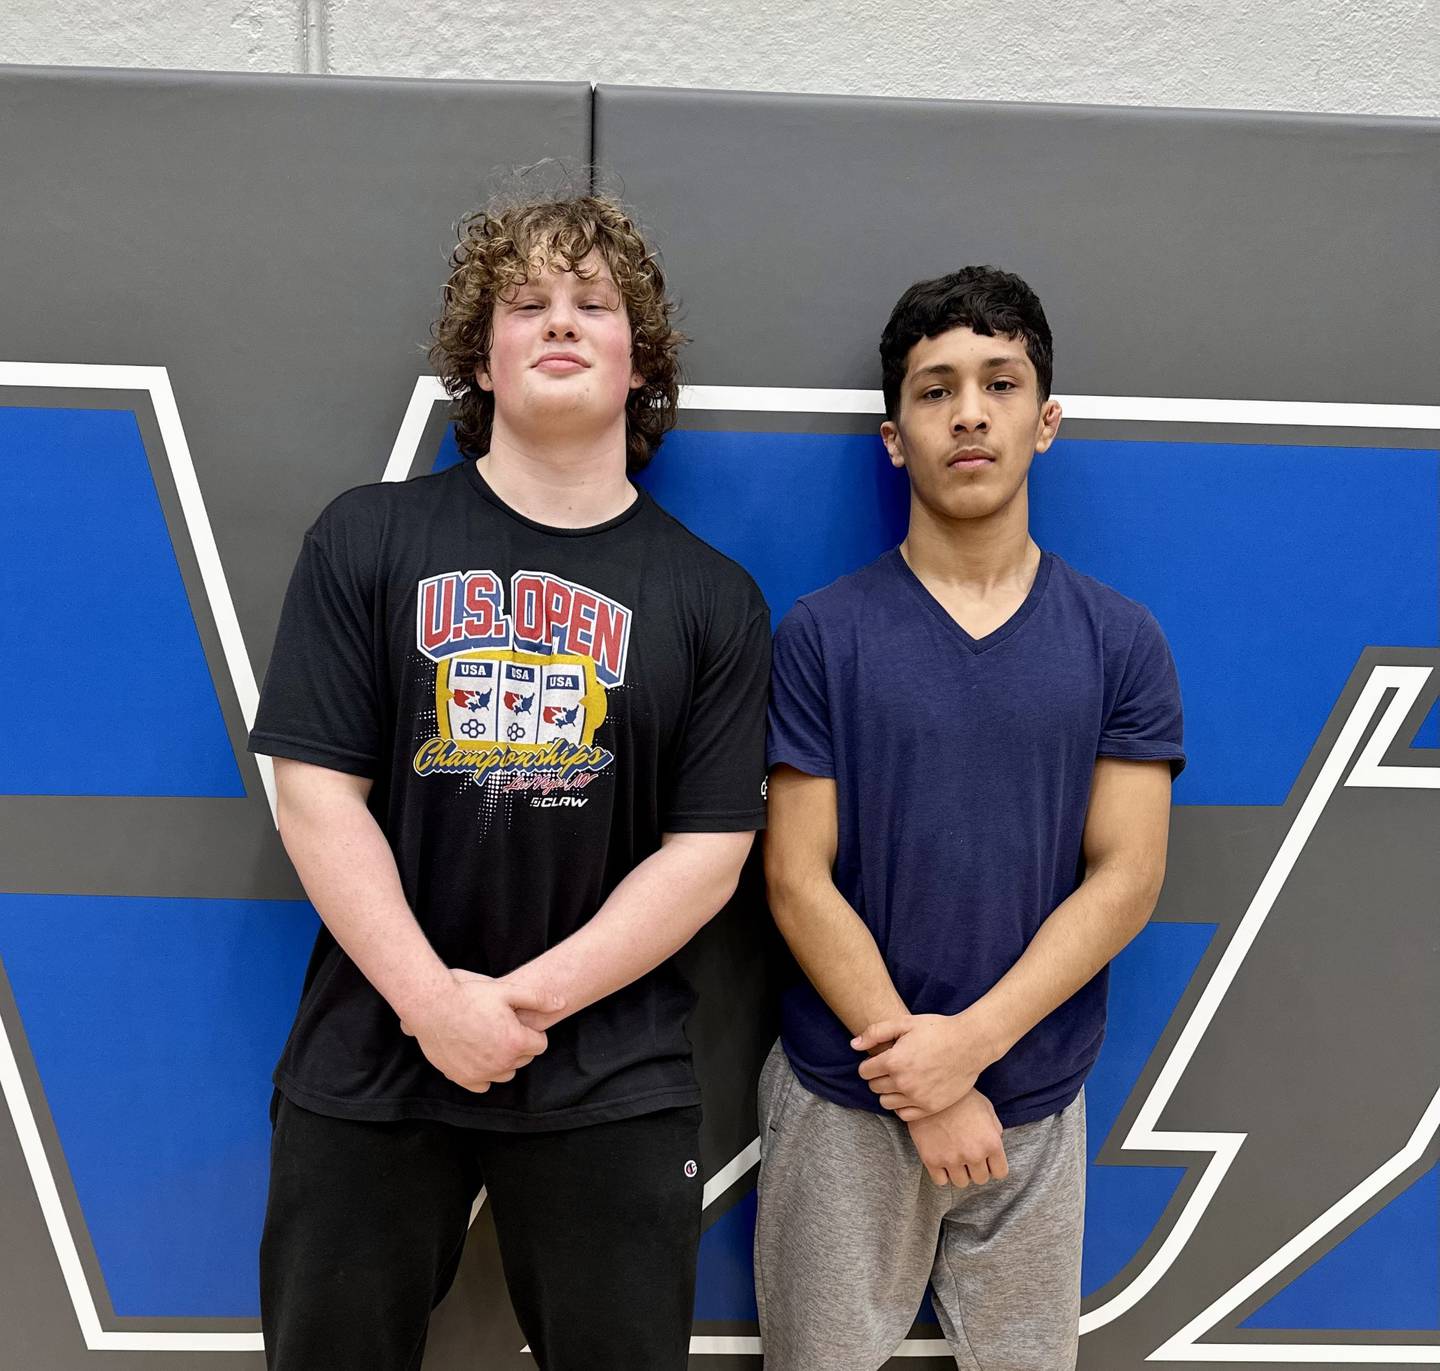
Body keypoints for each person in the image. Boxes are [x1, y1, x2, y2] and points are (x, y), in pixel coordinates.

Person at [249, 192, 771, 1371]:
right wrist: (434, 1003)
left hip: (610, 1073)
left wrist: (517, 1006)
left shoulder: (713, 598)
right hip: (374, 1056)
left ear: (644, 361)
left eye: (595, 304)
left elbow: (709, 854)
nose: (561, 323)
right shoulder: (366, 541)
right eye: (525, 302)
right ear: (477, 357)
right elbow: (315, 796)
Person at [757, 266, 1184, 1370]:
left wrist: (970, 1054)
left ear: (1046, 420)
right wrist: (920, 1078)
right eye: (935, 389)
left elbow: (1127, 876)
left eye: (1000, 383)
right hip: (844, 1099)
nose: (969, 413)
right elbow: (799, 880)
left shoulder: (1117, 641)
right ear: (894, 436)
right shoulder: (823, 634)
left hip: (1034, 1099)